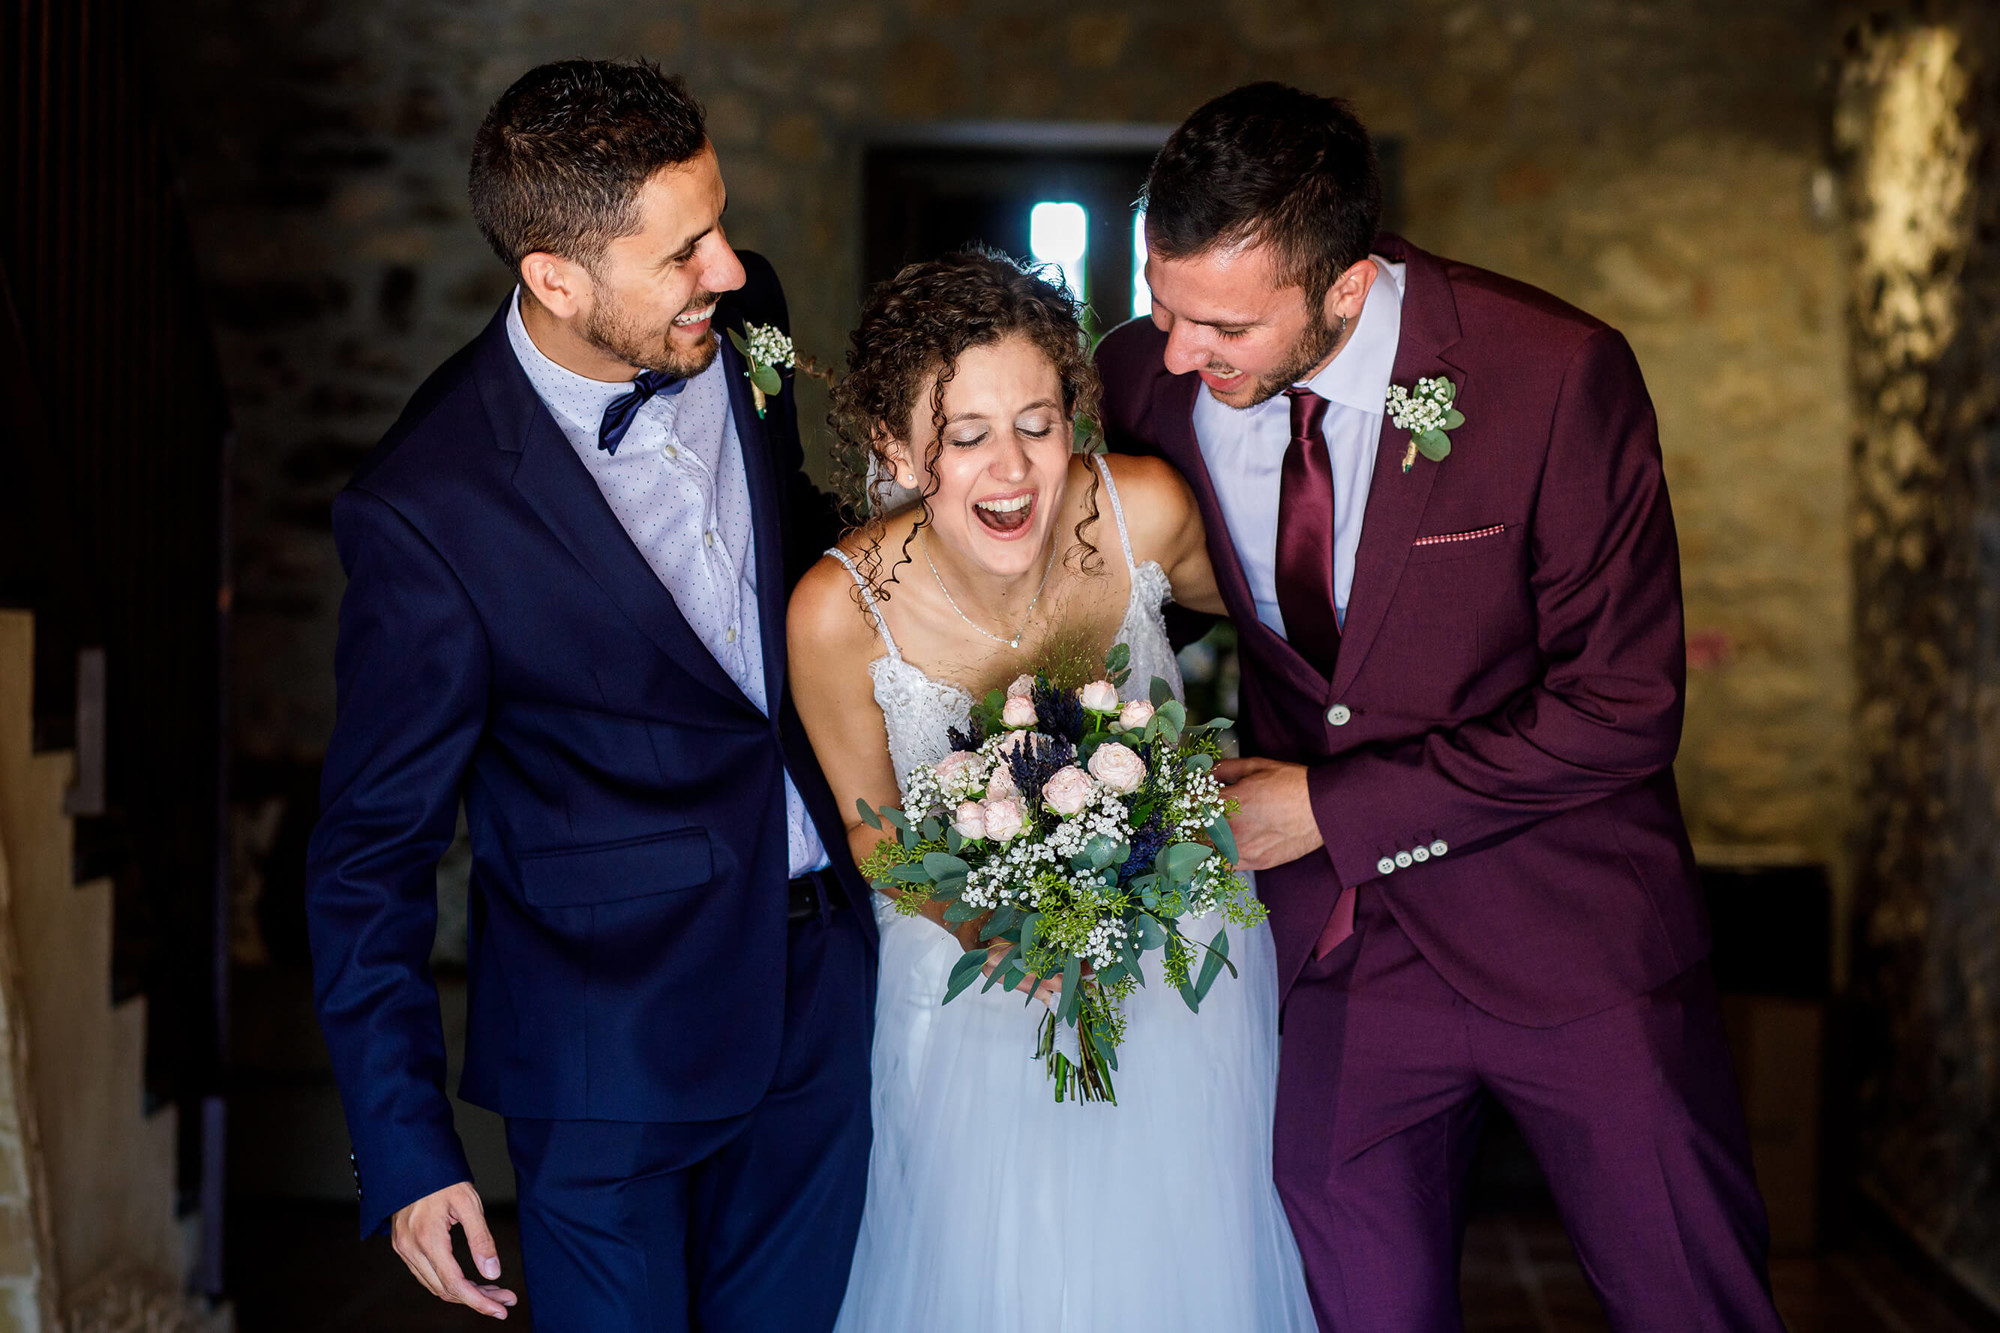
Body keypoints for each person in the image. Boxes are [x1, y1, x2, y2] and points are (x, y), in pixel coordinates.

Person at [1096, 81, 1789, 1333]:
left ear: (1347, 289)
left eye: (1222, 327)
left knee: (1691, 1306)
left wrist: (1327, 806)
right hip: (1340, 957)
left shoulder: (1552, 376)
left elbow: (1621, 707)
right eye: (1161, 303)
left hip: (1573, 938)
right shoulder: (1142, 381)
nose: (1179, 353)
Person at [304, 59, 874, 1332]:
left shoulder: (746, 316)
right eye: (683, 253)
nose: (726, 269)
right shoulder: (427, 508)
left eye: (718, 223)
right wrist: (405, 1149)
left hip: (823, 1003)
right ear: (554, 278)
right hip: (604, 1055)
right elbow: (367, 856)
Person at [788, 250, 1317, 1333]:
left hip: (1180, 981)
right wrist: (994, 927)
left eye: (1037, 422)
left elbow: (1302, 640)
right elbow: (868, 832)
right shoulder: (839, 612)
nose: (1014, 469)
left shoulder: (1146, 514)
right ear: (893, 447)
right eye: (966, 434)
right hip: (973, 998)